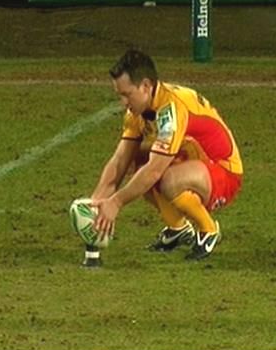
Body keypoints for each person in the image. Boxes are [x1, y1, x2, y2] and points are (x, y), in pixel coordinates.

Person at [90, 49, 243, 260]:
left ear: (146, 86)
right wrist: (96, 201)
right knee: (139, 158)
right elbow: (120, 161)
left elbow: (154, 172)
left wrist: (115, 203)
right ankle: (178, 228)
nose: (123, 102)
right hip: (196, 164)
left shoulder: (172, 108)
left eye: (127, 94)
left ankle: (208, 229)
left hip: (225, 173)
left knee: (165, 178)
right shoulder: (137, 113)